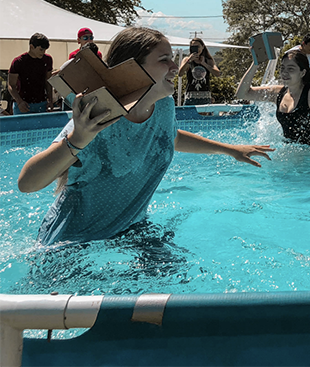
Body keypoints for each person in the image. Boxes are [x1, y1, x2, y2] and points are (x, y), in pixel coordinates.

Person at [17, 28, 274, 246]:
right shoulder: (99, 117)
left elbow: (168, 137)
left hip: (132, 232)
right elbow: (27, 183)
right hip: (75, 242)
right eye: (164, 59)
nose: (175, 67)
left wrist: (230, 149)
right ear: (131, 69)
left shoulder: (163, 106)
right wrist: (77, 140)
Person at [8, 33, 53, 115]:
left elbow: (48, 81)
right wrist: (19, 101)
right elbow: (11, 85)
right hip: (22, 105)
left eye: (45, 50)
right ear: (32, 47)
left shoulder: (47, 60)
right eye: (41, 49)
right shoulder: (18, 62)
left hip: (41, 104)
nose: (43, 52)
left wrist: (50, 100)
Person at [178, 38, 220, 105]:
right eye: (193, 47)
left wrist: (204, 64)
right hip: (190, 97)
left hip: (205, 97)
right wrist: (189, 61)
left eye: (198, 46)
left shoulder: (208, 60)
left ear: (203, 47)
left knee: (205, 115)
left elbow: (217, 73)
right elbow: (180, 73)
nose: (196, 49)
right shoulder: (187, 60)